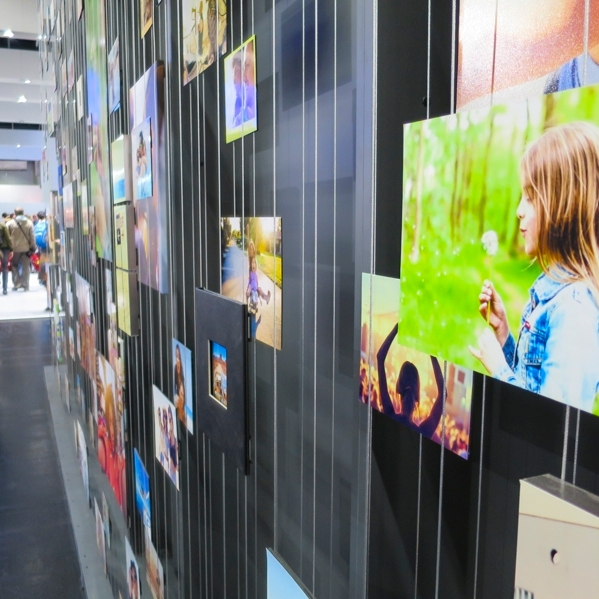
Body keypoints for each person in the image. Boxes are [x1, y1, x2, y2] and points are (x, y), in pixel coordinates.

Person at [471, 122, 599, 411]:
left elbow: (551, 422)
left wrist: (498, 367)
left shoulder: (574, 310)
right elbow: (533, 384)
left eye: (530, 197)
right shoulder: (554, 290)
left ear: (566, 205)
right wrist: (504, 334)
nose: (519, 210)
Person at [377, 324, 445, 438]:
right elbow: (443, 393)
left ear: (398, 387)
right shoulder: (423, 432)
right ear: (417, 393)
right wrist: (430, 351)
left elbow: (380, 357)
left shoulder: (389, 415)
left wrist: (397, 328)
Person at [7, 207, 36, 291]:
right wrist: (33, 247)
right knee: (26, 267)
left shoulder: (10, 223)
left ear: (14, 213)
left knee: (14, 265)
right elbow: (32, 236)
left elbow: (7, 237)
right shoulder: (29, 223)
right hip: (26, 248)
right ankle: (25, 285)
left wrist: (9, 248)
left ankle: (17, 283)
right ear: (23, 213)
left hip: (14, 249)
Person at [34, 211, 49, 287]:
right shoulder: (47, 223)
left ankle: (42, 278)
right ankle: (46, 278)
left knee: (42, 261)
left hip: (40, 246)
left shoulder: (36, 225)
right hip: (48, 244)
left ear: (37, 216)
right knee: (47, 261)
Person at [174, 344, 186, 423]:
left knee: (182, 415)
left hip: (181, 392)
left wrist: (181, 388)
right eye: (176, 355)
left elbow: (182, 380)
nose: (177, 358)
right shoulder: (175, 367)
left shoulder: (182, 367)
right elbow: (175, 383)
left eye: (178, 355)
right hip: (178, 393)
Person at [0, 218, 12, 295]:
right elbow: (8, 238)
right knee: (4, 267)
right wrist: (11, 249)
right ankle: (5, 288)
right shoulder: (3, 226)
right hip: (4, 248)